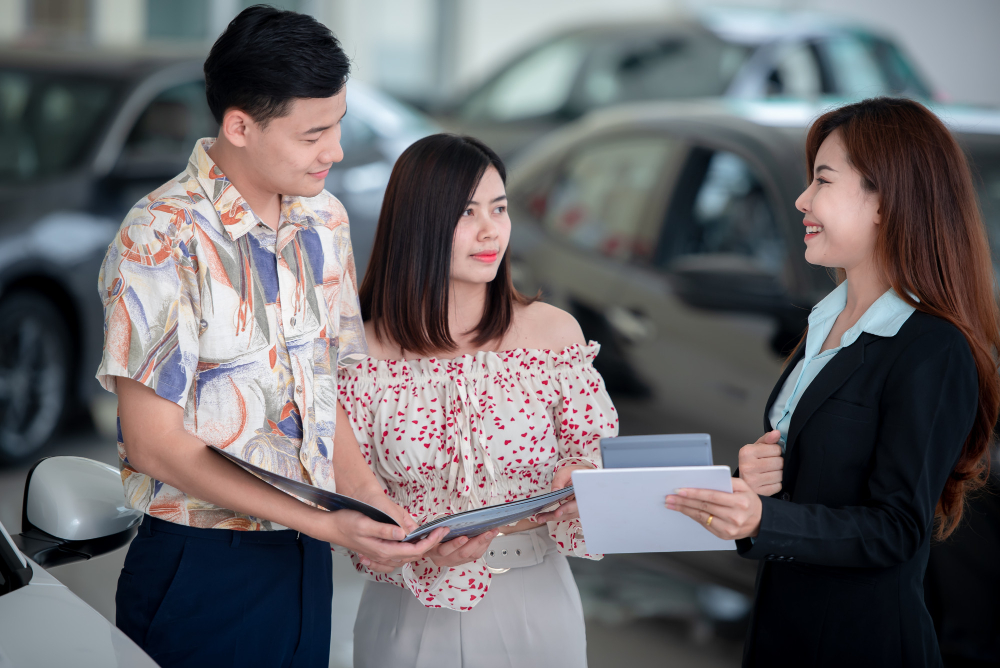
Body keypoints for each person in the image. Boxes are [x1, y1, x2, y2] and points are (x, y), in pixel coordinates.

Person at [95, 7, 444, 667]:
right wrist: (322, 520)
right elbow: (153, 443)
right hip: (200, 567)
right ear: (239, 126)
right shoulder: (160, 237)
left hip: (308, 558)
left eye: (338, 125)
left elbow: (324, 391)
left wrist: (369, 500)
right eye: (314, 133)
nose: (335, 151)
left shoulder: (325, 220)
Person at [665, 97, 1000, 667]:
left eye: (822, 180)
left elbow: (896, 529)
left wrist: (768, 518)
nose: (802, 201)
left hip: (860, 646)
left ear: (885, 199)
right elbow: (820, 475)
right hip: (781, 631)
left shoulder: (932, 349)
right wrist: (762, 478)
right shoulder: (827, 319)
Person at [337, 133, 619, 668]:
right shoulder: (362, 354)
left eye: (500, 208)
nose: (492, 230)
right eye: (467, 212)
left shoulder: (553, 335)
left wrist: (584, 472)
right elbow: (343, 491)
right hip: (408, 606)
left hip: (536, 598)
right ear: (417, 223)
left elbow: (595, 448)